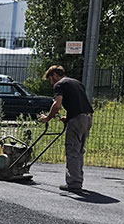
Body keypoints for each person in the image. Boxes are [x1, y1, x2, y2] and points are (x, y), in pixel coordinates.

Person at [38, 65, 94, 195]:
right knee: (79, 150)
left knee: (72, 150)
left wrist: (47, 118)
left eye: (51, 79)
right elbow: (78, 102)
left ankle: (74, 184)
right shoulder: (77, 83)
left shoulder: (60, 84)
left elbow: (57, 104)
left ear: (55, 75)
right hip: (87, 118)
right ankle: (77, 180)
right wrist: (68, 118)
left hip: (77, 119)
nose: (51, 82)